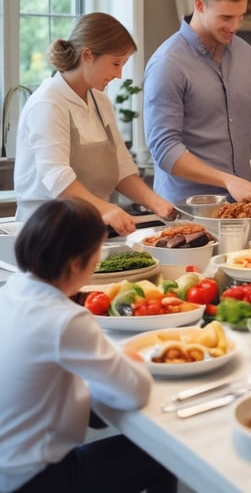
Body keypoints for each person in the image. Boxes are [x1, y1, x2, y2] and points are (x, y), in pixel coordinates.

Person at [0, 198, 176, 493]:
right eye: (97, 258)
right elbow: (135, 392)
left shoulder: (11, 292)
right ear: (76, 264)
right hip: (32, 478)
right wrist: (130, 358)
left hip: (6, 466)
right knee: (163, 450)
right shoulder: (64, 319)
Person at [14, 13, 176, 236]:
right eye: (116, 63)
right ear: (87, 55)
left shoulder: (100, 102)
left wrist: (158, 204)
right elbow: (57, 177)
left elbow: (122, 168)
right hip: (45, 235)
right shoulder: (48, 104)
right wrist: (105, 207)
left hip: (88, 231)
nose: (119, 74)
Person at [143, 0, 251, 206]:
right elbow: (165, 149)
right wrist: (227, 181)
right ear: (199, 5)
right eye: (226, 17)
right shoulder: (168, 63)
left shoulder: (246, 53)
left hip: (242, 207)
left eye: (241, 16)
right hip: (186, 213)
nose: (235, 26)